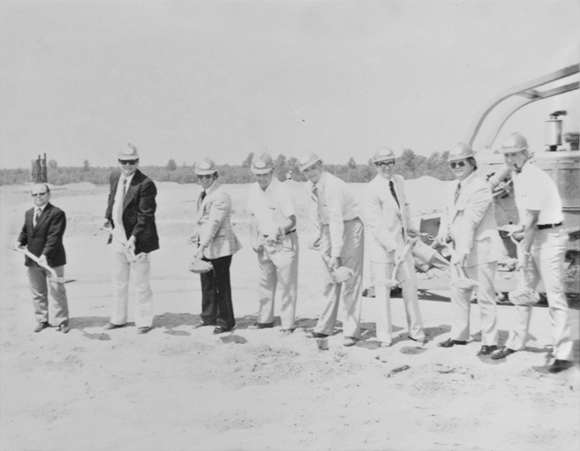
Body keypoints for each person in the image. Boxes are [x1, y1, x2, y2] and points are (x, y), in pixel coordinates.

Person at [490, 132, 574, 373]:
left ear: (526, 153)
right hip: (532, 236)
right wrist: (521, 236)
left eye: (513, 154)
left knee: (555, 296)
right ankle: (515, 343)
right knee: (523, 292)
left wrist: (522, 250)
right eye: (506, 155)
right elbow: (526, 219)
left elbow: (532, 219)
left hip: (549, 237)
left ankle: (564, 353)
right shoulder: (518, 175)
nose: (509, 160)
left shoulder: (535, 176)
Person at [435, 143, 504, 355]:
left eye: (461, 163)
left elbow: (470, 222)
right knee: (458, 293)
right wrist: (443, 233)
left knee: (484, 296)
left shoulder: (480, 187)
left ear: (471, 163)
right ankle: (459, 335)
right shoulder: (451, 187)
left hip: (481, 250)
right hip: (460, 248)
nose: (457, 167)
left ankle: (490, 341)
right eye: (453, 164)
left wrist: (461, 252)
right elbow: (448, 214)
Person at [299, 152, 364, 347]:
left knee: (349, 279)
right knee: (330, 280)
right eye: (305, 170)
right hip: (329, 228)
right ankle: (324, 327)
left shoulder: (333, 186)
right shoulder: (309, 186)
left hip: (350, 226)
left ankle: (351, 331)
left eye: (313, 167)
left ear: (321, 165)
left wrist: (335, 254)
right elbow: (315, 214)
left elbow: (337, 218)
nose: (310, 173)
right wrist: (316, 236)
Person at [363, 147, 425, 347]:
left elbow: (404, 207)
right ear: (376, 166)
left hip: (403, 244)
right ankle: (384, 336)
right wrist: (393, 247)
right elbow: (375, 224)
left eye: (390, 162)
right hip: (382, 249)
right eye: (382, 164)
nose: (387, 167)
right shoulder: (371, 189)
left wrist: (411, 229)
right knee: (383, 294)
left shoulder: (399, 181)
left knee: (410, 287)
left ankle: (416, 332)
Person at [104, 144, 159, 334]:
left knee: (140, 282)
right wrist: (107, 218)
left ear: (138, 162)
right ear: (119, 162)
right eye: (124, 162)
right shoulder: (114, 176)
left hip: (139, 240)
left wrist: (134, 237)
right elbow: (112, 199)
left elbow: (146, 215)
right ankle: (118, 319)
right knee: (118, 280)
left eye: (131, 162)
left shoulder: (145, 184)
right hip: (118, 236)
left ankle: (143, 321)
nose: (127, 165)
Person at [247, 152, 299, 333]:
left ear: (273, 171)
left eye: (265, 174)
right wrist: (254, 238)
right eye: (258, 175)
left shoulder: (283, 191)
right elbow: (253, 216)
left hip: (284, 241)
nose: (261, 178)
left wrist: (278, 231)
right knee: (264, 283)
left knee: (287, 284)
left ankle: (287, 324)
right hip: (264, 242)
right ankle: (265, 319)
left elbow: (292, 220)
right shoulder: (253, 189)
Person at [189, 157, 242, 335]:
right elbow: (203, 221)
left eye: (208, 176)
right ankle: (209, 317)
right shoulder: (204, 193)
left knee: (221, 284)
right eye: (200, 177)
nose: (204, 180)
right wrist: (195, 234)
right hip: (205, 244)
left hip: (221, 246)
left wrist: (201, 245)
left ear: (215, 175)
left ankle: (226, 322)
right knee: (207, 283)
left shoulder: (221, 195)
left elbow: (214, 223)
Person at [14, 183, 70, 333]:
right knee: (37, 291)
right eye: (35, 194)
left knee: (57, 290)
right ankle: (42, 320)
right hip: (33, 259)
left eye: (42, 194)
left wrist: (45, 255)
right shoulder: (29, 213)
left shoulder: (57, 213)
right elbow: (25, 231)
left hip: (52, 260)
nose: (38, 197)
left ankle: (61, 321)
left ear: (49, 194)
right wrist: (20, 242)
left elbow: (54, 237)